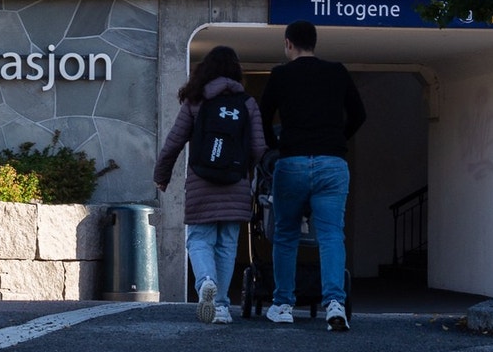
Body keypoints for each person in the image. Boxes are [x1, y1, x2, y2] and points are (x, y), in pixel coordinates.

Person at [259, 19, 366, 331]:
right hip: (332, 163)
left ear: (288, 43)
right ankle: (334, 303)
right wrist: (337, 139)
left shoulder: (280, 75)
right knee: (331, 235)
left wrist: (275, 145)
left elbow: (263, 117)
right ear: (314, 43)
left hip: (291, 162)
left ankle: (283, 305)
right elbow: (359, 114)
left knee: (286, 233)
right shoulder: (337, 72)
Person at [153, 45, 266, 324]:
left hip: (201, 183)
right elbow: (258, 147)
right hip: (235, 184)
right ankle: (222, 306)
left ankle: (205, 281)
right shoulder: (247, 103)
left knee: (199, 239)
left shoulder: (196, 101)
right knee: (226, 245)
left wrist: (162, 176)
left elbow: (173, 143)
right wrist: (247, 173)